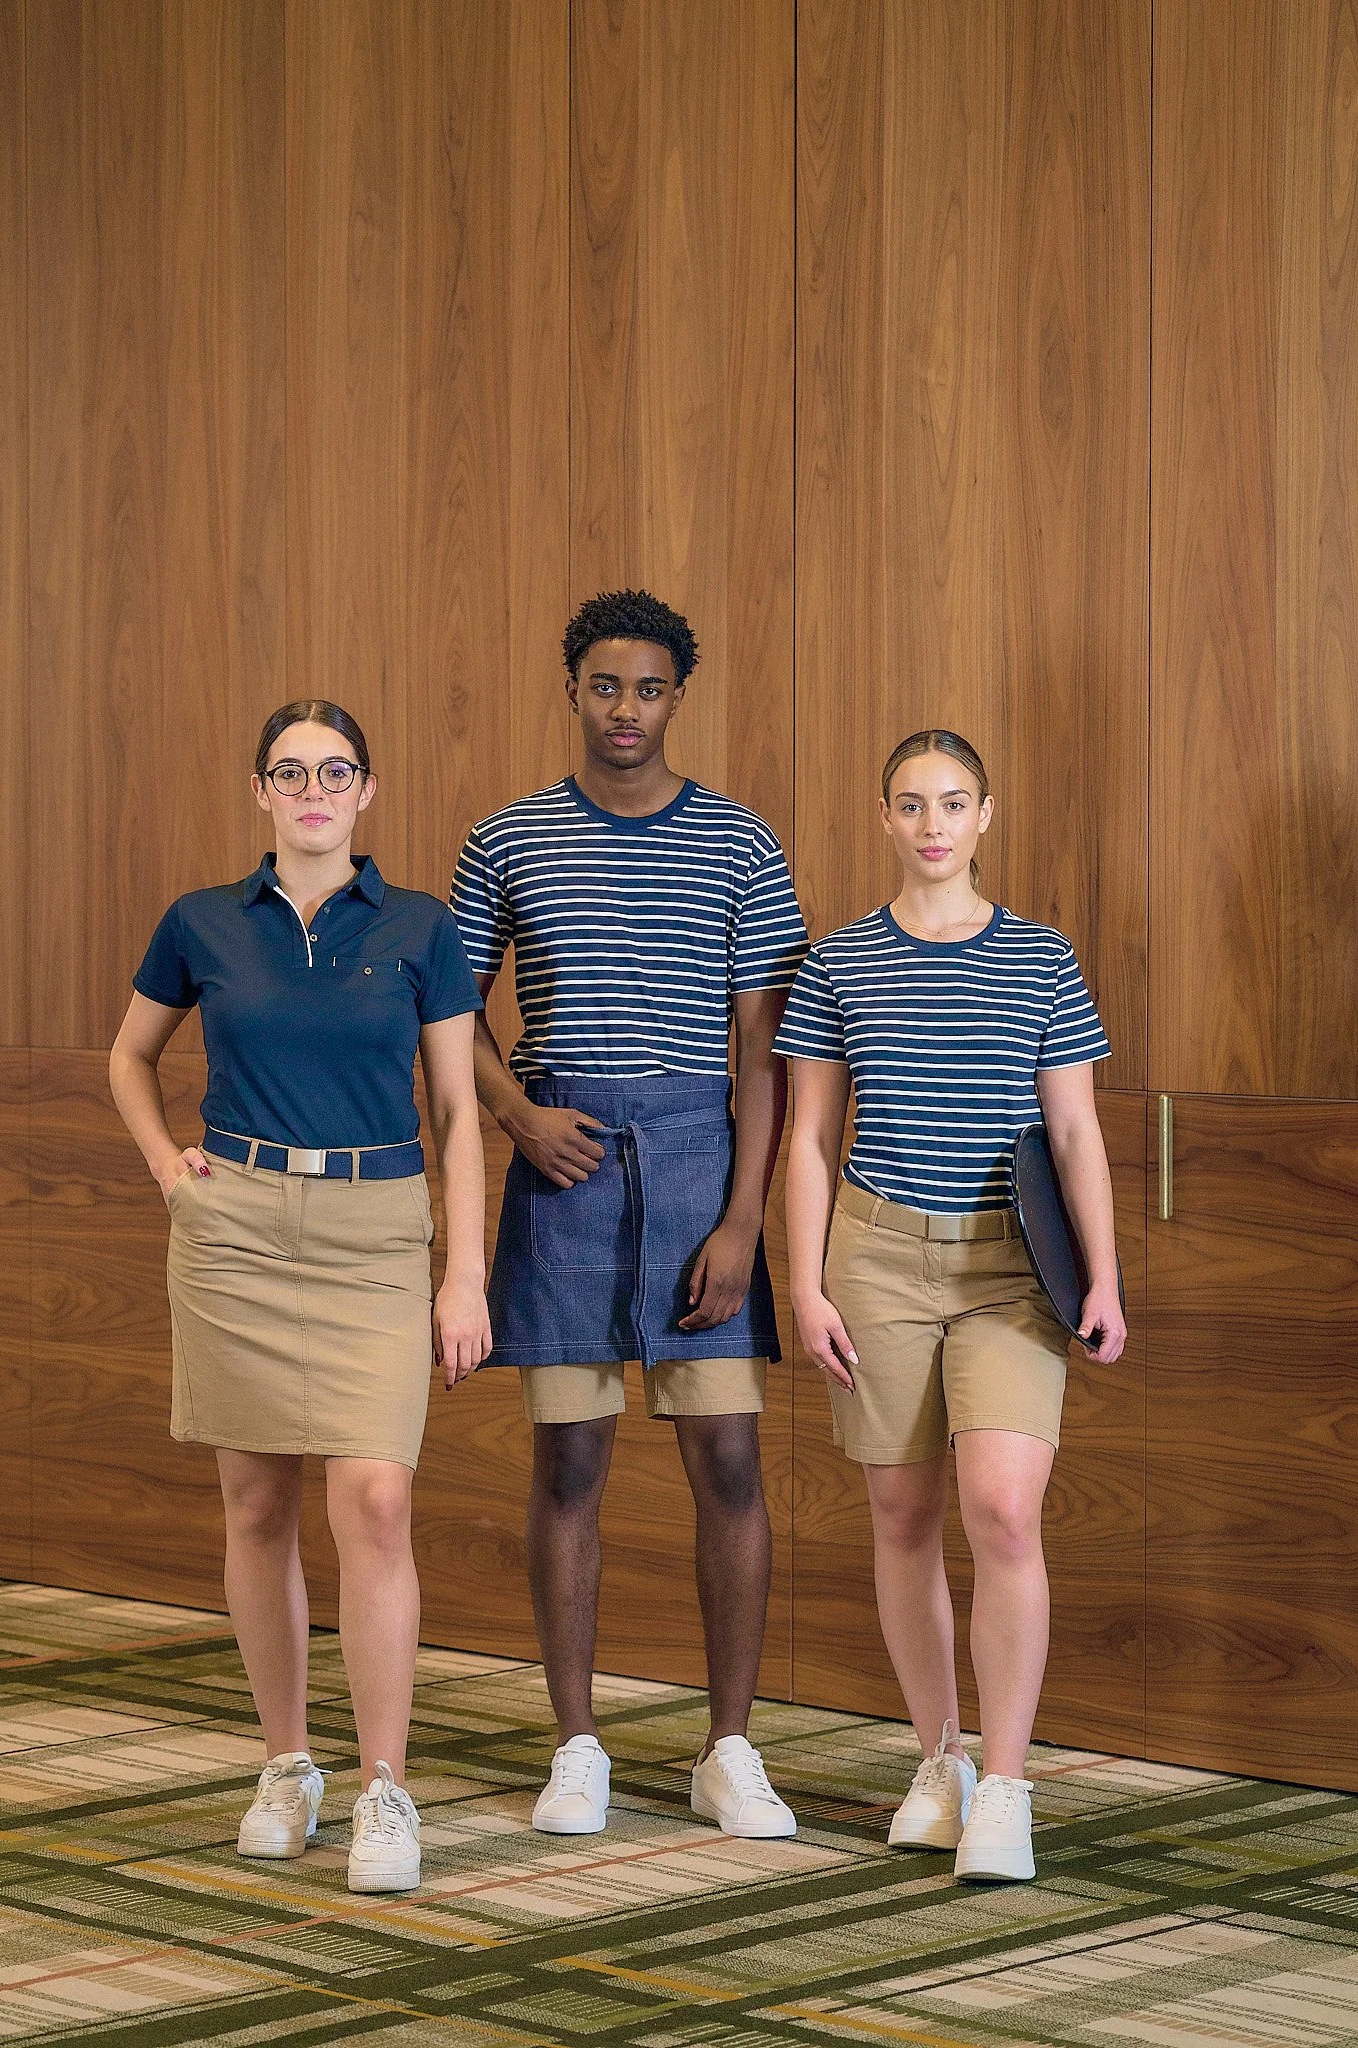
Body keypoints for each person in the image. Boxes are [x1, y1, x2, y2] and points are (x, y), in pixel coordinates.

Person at [109, 700, 490, 1894]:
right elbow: (130, 1055)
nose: (312, 791)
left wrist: (465, 1271)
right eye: (290, 771)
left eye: (335, 772)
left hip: (377, 1228)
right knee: (257, 1500)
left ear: (366, 789)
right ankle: (287, 1765)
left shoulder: (420, 926)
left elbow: (458, 1112)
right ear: (261, 790)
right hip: (236, 1230)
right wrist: (168, 1167)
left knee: (374, 1499)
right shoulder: (202, 920)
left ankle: (384, 1785)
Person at [450, 589, 808, 1840]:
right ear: (573, 689)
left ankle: (729, 1748)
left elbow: (764, 1054)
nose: (626, 709)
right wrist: (516, 1114)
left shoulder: (742, 843)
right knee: (569, 1461)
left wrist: (743, 1218)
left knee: (729, 1460)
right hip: (564, 1164)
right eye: (606, 685)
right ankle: (577, 1744)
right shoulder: (505, 837)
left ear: (676, 698)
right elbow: (448, 1012)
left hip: (703, 1162)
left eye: (649, 688)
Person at [777, 728, 1125, 1883]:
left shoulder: (1041, 957)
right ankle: (942, 1759)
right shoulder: (838, 963)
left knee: (1004, 1510)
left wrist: (1104, 1274)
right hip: (876, 1257)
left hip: (1012, 1268)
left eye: (955, 801)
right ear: (886, 816)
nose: (934, 823)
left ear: (986, 815)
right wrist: (805, 1279)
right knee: (901, 1513)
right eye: (913, 803)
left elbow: (1074, 1130)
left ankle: (1008, 1785)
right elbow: (810, 1136)